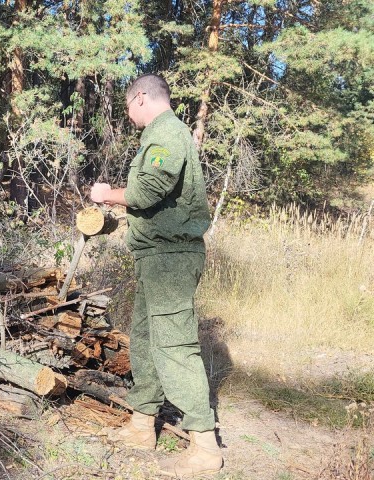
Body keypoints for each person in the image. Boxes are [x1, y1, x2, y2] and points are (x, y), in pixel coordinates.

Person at [90, 74, 222, 478]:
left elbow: (148, 190)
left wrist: (107, 194)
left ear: (141, 97)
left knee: (175, 345)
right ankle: (142, 423)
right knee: (146, 340)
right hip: (154, 256)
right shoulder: (160, 134)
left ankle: (204, 444)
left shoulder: (167, 133)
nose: (128, 115)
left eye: (128, 106)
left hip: (171, 259)